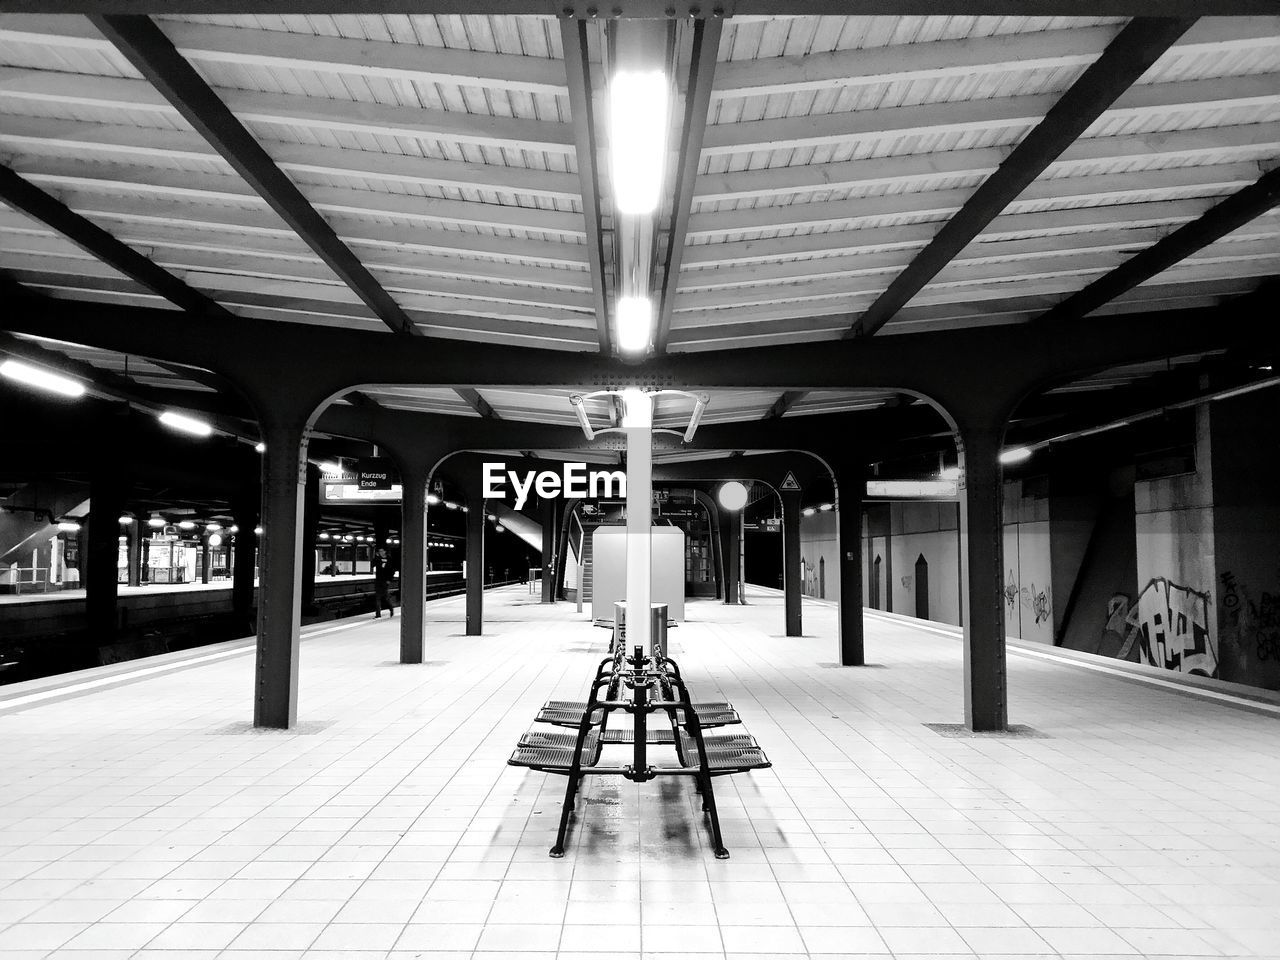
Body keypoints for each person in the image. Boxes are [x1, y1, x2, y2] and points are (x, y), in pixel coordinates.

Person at [372, 547, 397, 619]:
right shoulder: (378, 559)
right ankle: (378, 614)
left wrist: (389, 579)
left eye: (382, 551)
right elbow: (372, 565)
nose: (380, 552)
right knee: (377, 597)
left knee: (385, 597)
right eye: (379, 551)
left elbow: (392, 570)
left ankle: (391, 608)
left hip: (385, 581)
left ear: (385, 551)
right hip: (378, 580)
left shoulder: (390, 559)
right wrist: (376, 557)